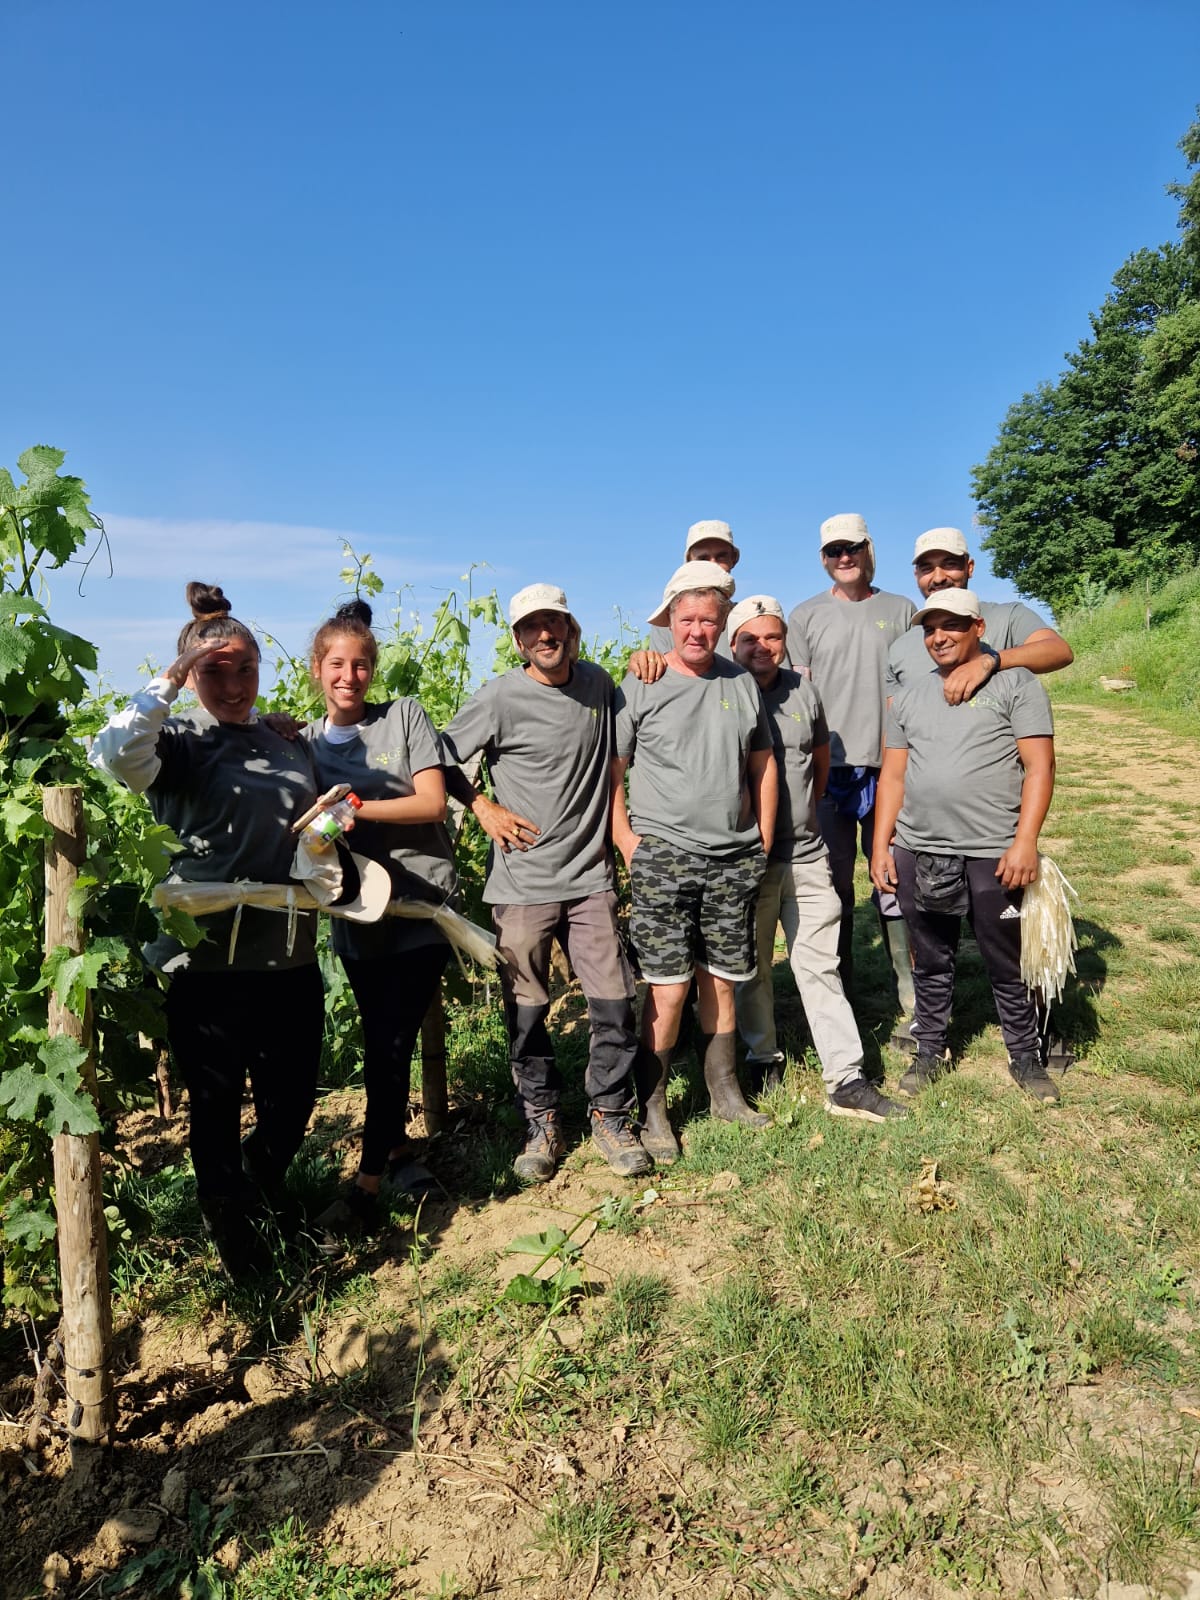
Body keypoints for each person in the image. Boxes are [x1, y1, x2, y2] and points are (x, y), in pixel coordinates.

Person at [90, 583, 326, 1282]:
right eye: (214, 671)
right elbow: (111, 754)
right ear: (192, 675)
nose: (232, 683)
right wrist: (169, 673)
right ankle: (236, 1232)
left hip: (288, 954)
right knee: (217, 1105)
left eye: (244, 668)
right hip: (207, 964)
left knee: (291, 1104)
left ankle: (260, 1182)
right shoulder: (178, 741)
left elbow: (308, 826)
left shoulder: (286, 741)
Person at [440, 584, 652, 1183]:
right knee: (528, 1011)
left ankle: (611, 1114)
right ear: (517, 640)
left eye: (553, 623)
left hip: (590, 877)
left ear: (572, 627)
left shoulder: (599, 687)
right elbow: (441, 757)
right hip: (522, 882)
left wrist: (648, 658)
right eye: (531, 627)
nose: (544, 635)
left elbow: (626, 744)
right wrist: (481, 806)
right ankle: (542, 1120)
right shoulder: (500, 696)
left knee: (614, 1000)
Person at [610, 562, 779, 1163]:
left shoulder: (740, 684)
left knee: (723, 980)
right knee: (668, 985)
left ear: (722, 623)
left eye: (709, 620)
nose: (698, 631)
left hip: (732, 857)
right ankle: (653, 1107)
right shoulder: (642, 685)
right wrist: (627, 840)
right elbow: (615, 772)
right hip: (665, 857)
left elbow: (762, 763)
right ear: (670, 624)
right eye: (688, 620)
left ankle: (725, 1091)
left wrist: (760, 836)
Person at [302, 600, 457, 1236]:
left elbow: (433, 803)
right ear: (318, 669)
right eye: (338, 663)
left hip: (421, 903)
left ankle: (365, 1183)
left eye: (361, 664)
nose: (350, 675)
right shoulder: (304, 742)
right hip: (357, 910)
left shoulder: (404, 718)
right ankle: (397, 1153)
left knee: (393, 1037)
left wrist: (355, 810)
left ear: (373, 670)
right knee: (380, 1039)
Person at [869, 588, 1060, 1102]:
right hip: (920, 847)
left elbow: (1040, 767)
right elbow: (892, 777)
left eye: (951, 625)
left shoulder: (1015, 683)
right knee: (931, 956)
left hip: (994, 848)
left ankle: (1025, 1055)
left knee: (1008, 958)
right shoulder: (907, 696)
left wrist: (1025, 842)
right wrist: (882, 845)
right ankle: (930, 1047)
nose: (939, 637)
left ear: (979, 627)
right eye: (930, 629)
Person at [728, 596, 904, 1121]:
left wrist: (803, 814)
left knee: (820, 964)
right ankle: (762, 1055)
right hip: (746, 859)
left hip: (805, 853)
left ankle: (845, 1077)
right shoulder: (718, 690)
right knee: (754, 966)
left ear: (786, 640)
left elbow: (820, 759)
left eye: (773, 637)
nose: (763, 648)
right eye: (750, 639)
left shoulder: (803, 689)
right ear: (732, 642)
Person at [787, 514, 916, 1033]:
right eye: (833, 550)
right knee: (833, 884)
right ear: (823, 557)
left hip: (889, 764)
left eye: (852, 548)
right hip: (830, 771)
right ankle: (841, 992)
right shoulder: (805, 616)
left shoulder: (901, 610)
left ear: (868, 549)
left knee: (893, 878)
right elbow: (796, 696)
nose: (844, 557)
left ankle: (910, 992)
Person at [887, 527, 1074, 699]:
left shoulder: (1008, 616)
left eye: (949, 564)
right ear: (916, 576)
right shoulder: (899, 649)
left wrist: (989, 662)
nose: (938, 578)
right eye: (927, 568)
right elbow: (895, 726)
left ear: (969, 567)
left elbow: (1059, 651)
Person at [645, 520, 740, 657]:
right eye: (703, 558)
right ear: (689, 562)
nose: (712, 565)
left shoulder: (747, 620)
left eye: (721, 557)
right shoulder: (664, 625)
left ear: (734, 560)